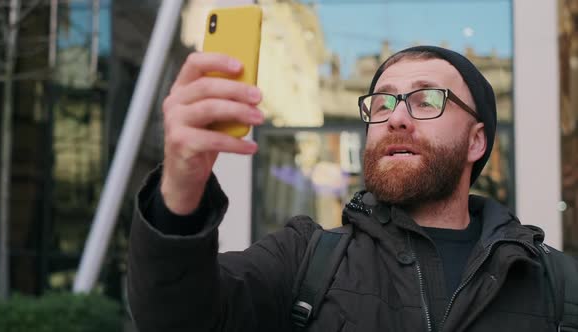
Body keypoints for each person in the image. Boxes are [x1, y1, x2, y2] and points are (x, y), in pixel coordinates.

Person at [127, 46, 577, 332]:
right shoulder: (306, 259)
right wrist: (182, 186)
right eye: (382, 103)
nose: (396, 117)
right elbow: (174, 317)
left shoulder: (556, 285)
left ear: (476, 141)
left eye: (426, 99)